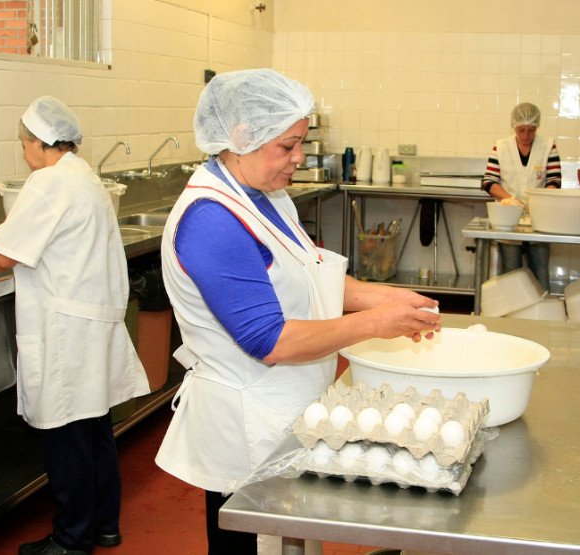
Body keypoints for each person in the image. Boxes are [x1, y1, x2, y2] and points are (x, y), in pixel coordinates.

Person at [153, 69, 441, 554]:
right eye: (287, 146)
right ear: (241, 138)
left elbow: (312, 274)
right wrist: (376, 323)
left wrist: (384, 297)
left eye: (301, 143)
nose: (299, 158)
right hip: (249, 427)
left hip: (289, 412)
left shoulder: (266, 197)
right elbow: (271, 341)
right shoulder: (211, 220)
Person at [0, 96, 151, 555]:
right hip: (90, 324)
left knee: (67, 436)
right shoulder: (82, 177)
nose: (23, 153)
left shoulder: (47, 182)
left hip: (67, 330)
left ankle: (71, 541)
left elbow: (5, 255)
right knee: (95, 431)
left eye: (22, 143)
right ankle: (104, 526)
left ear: (36, 143)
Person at [482, 102, 561, 290]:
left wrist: (540, 201)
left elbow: (555, 181)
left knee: (540, 273)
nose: (526, 136)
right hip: (508, 219)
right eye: (522, 130)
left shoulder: (548, 146)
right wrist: (509, 199)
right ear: (514, 127)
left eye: (531, 131)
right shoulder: (501, 147)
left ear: (537, 127)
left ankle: (540, 315)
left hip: (539, 221)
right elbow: (489, 182)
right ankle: (514, 316)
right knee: (511, 273)